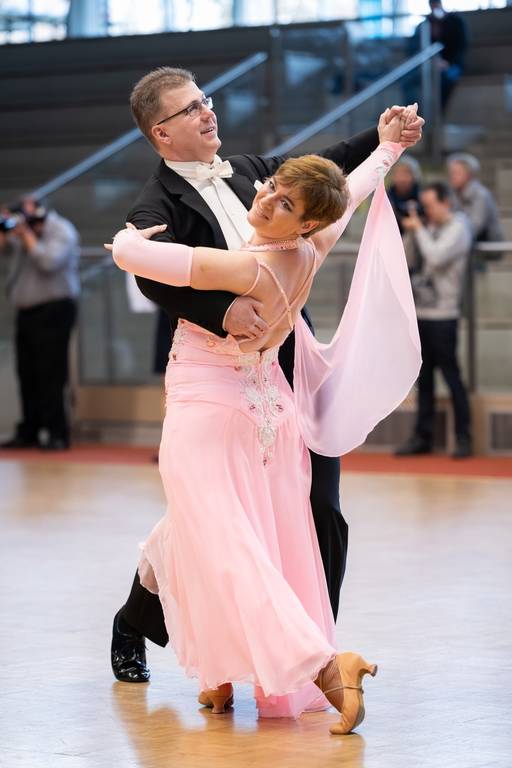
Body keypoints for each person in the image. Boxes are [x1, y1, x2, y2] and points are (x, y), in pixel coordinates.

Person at [109, 66, 424, 687]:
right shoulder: (159, 201)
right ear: (161, 134)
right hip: (219, 368)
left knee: (318, 508)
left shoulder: (256, 170)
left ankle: (313, 654)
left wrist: (381, 136)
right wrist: (221, 311)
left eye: (205, 100)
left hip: (289, 362)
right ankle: (137, 618)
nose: (207, 112)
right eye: (189, 110)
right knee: (208, 517)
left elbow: (329, 173)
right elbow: (153, 275)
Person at [395, 181, 473, 459]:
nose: (425, 211)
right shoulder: (427, 228)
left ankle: (464, 438)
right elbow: (406, 258)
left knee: (452, 377)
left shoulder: (459, 227)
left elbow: (437, 258)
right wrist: (411, 232)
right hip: (422, 313)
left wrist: (420, 232)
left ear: (445, 203)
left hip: (444, 315)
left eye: (429, 206)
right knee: (423, 379)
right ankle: (422, 437)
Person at [0, 199, 79, 451]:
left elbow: (49, 262)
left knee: (51, 374)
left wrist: (27, 237)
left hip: (54, 310)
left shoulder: (61, 230)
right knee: (27, 373)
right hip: (26, 312)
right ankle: (30, 431)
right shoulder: (21, 234)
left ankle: (57, 433)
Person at [447, 153, 504, 245]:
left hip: (487, 245)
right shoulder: (454, 193)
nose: (452, 176)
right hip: (466, 242)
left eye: (457, 173)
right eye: (451, 173)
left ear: (469, 175)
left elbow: (476, 227)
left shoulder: (481, 194)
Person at [387, 155, 423, 234]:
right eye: (398, 174)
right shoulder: (387, 197)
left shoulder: (422, 194)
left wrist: (417, 221)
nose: (402, 179)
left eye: (406, 174)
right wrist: (402, 221)